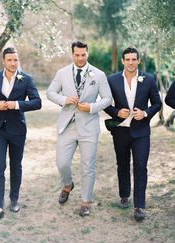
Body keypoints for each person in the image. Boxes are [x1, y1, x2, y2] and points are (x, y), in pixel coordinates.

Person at [46, 41, 112, 217]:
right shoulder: (62, 73)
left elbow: (107, 99)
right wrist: (64, 99)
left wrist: (91, 107)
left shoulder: (99, 74)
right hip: (67, 125)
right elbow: (50, 92)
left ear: (87, 54)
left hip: (89, 126)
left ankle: (85, 200)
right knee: (62, 162)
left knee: (87, 166)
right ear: (72, 54)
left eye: (83, 55)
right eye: (77, 55)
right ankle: (67, 185)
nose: (80, 58)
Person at [0, 47, 41, 220]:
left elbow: (37, 102)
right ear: (4, 61)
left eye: (15, 60)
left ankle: (14, 200)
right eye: (10, 60)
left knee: (15, 165)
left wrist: (16, 104)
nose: (13, 63)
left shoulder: (26, 79)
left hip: (17, 129)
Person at [104, 46, 162, 221]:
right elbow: (105, 103)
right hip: (120, 130)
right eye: (127, 59)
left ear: (138, 60)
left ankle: (139, 206)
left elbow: (157, 103)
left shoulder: (149, 79)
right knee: (122, 164)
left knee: (140, 167)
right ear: (123, 61)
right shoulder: (112, 80)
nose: (130, 62)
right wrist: (116, 112)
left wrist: (145, 113)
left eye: (133, 59)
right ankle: (124, 195)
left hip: (141, 132)